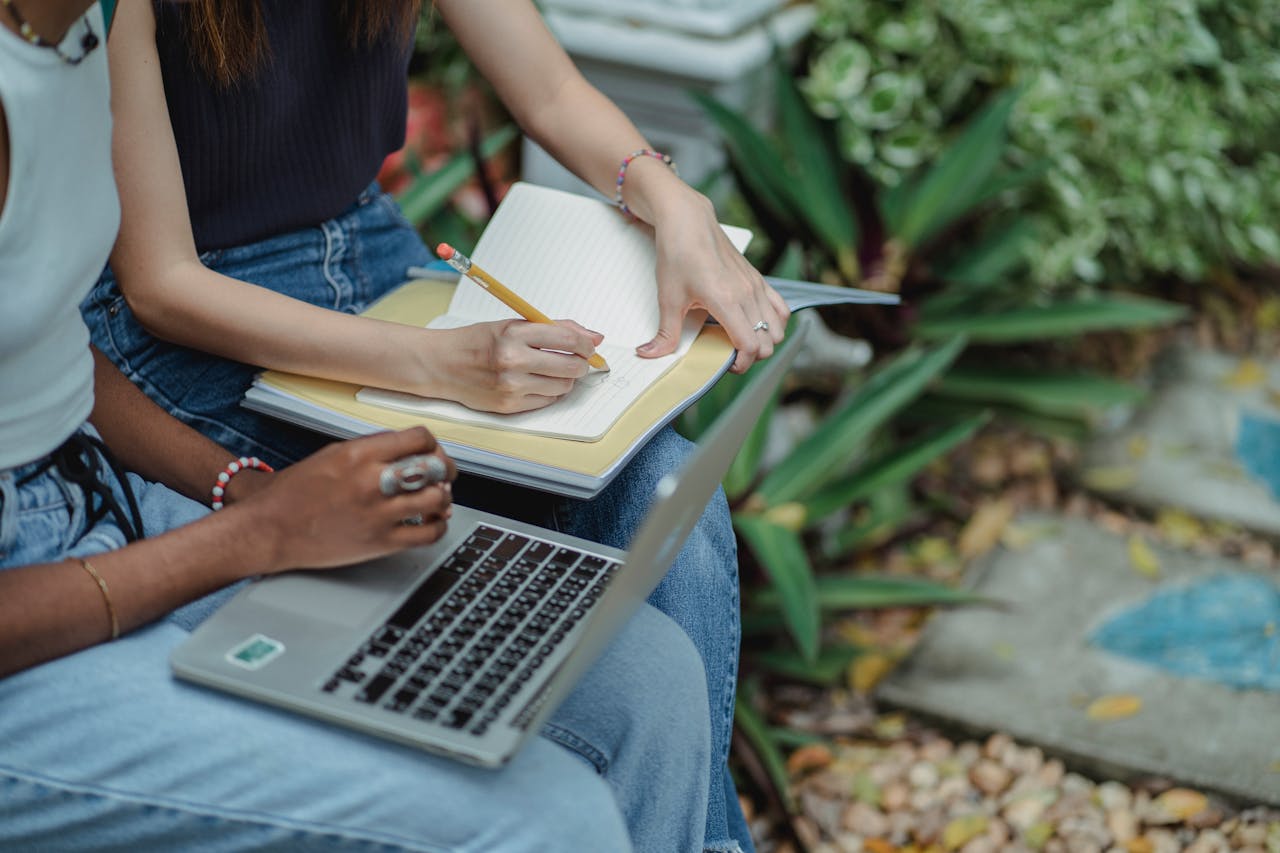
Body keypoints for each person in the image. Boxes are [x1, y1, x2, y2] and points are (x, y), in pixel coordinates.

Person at [0, 2, 716, 849]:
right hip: (55, 568)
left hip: (100, 483)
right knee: (551, 813)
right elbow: (152, 289)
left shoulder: (69, 35)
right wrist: (253, 535)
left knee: (649, 674)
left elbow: (55, 357)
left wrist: (233, 487)